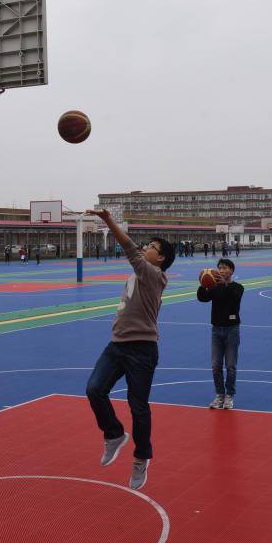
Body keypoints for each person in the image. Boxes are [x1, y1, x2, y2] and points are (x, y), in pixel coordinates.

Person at [84, 208, 174, 491]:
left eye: (152, 247)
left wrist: (108, 220)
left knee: (138, 407)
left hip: (142, 349)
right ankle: (113, 434)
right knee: (94, 389)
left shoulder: (154, 275)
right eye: (147, 245)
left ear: (160, 259)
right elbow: (134, 250)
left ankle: (141, 458)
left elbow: (129, 248)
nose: (146, 248)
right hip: (117, 344)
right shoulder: (140, 271)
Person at [197, 258, 244, 410]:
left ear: (231, 270)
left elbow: (234, 297)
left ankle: (229, 395)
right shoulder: (214, 287)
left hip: (232, 330)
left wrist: (223, 284)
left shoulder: (238, 287)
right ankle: (219, 395)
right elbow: (202, 298)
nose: (222, 270)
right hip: (216, 330)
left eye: (225, 268)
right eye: (220, 268)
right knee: (216, 366)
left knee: (230, 366)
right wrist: (203, 284)